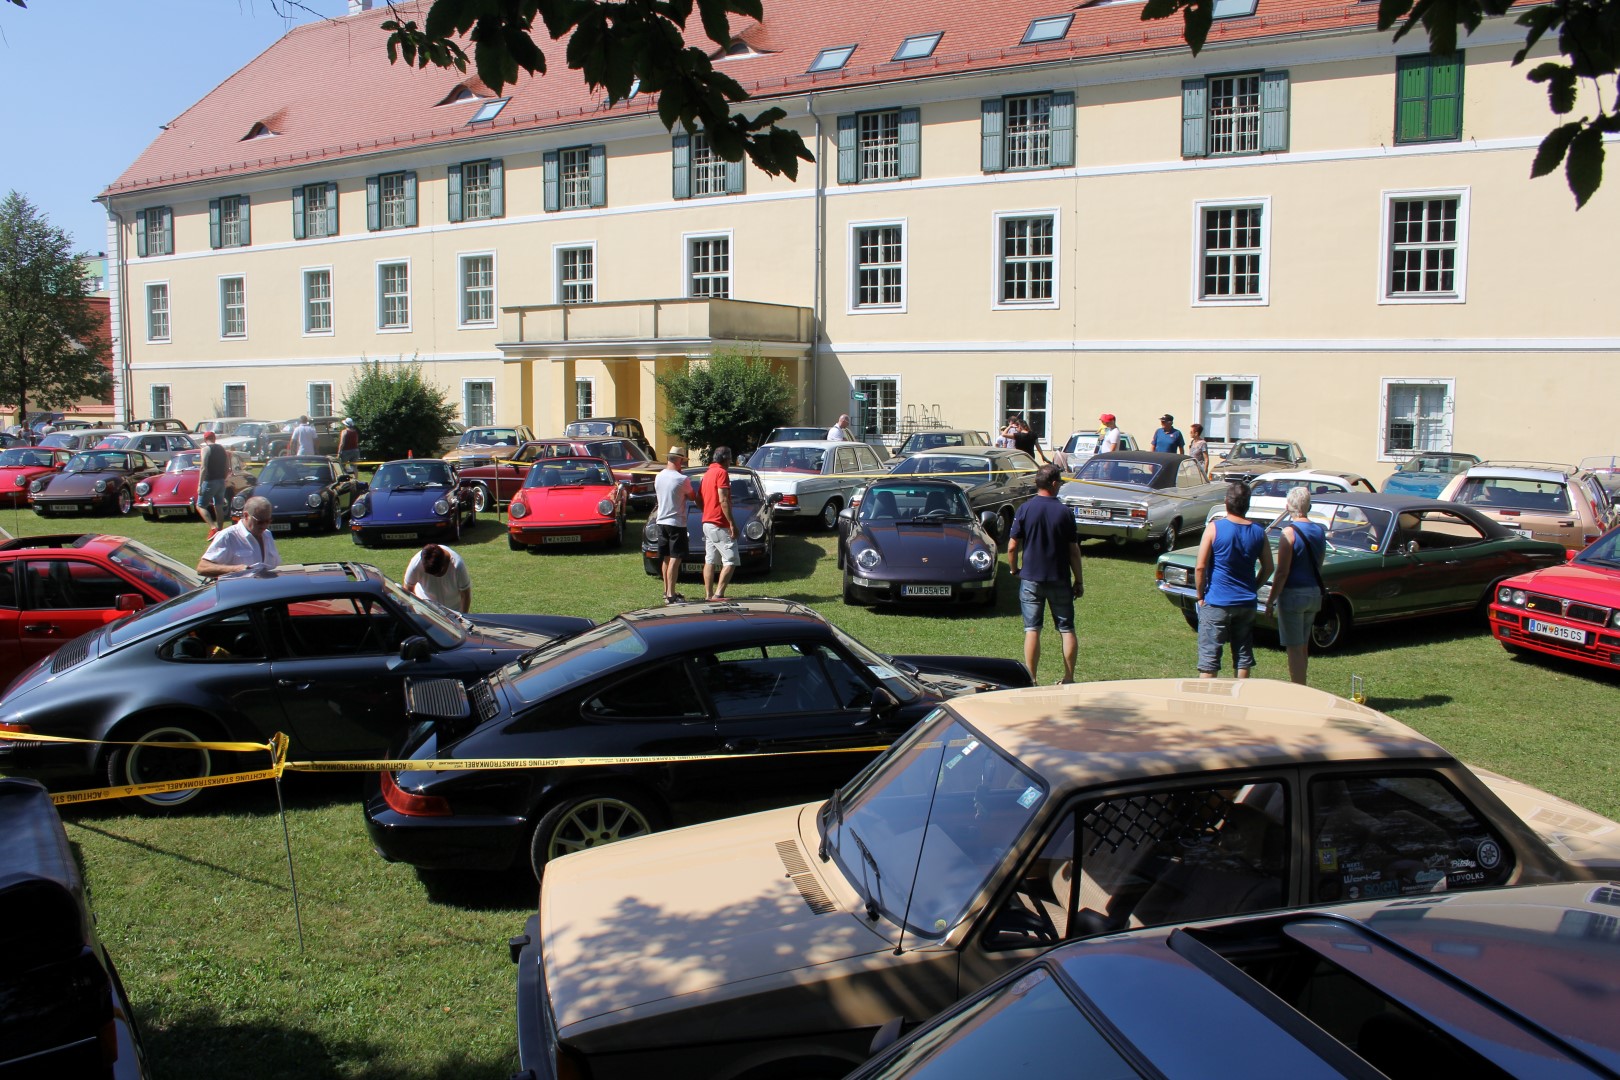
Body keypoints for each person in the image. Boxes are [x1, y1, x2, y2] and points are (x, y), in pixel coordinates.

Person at [1007, 463, 1085, 684]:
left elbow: (1012, 546)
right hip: (1059, 578)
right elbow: (1074, 552)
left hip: (1031, 578)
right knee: (1067, 629)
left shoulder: (1025, 509)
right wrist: (1078, 580)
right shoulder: (1065, 512)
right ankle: (1069, 677)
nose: (1060, 486)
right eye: (1059, 482)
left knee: (1032, 630)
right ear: (1053, 484)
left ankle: (1032, 679)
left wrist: (1014, 569)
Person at [1194, 482, 1273, 679]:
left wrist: (1199, 595)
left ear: (1226, 502)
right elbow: (1269, 567)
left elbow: (1200, 567)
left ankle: (1206, 700)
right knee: (1243, 655)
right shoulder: (1258, 531)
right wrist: (1254, 586)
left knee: (1209, 658)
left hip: (1217, 601)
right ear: (1247, 505)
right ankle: (1240, 698)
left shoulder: (1214, 528)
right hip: (1246, 602)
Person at [1266, 486, 1327, 685]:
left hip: (1293, 595)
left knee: (1293, 646)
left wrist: (1271, 599)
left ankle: (1299, 689)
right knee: (1303, 644)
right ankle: (1303, 684)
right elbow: (1319, 562)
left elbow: (1282, 572)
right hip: (1313, 593)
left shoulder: (1289, 533)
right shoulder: (1319, 530)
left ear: (1288, 506)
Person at [197, 494, 281, 577]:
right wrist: (235, 569)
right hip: (238, 589)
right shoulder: (228, 536)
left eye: (268, 521)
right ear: (246, 515)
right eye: (260, 522)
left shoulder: (267, 535)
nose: (264, 526)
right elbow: (202, 567)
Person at [651, 446, 691, 604]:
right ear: (679, 460)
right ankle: (671, 595)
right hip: (676, 522)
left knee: (666, 558)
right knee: (676, 558)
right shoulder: (682, 479)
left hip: (661, 521)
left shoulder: (659, 476)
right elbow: (692, 496)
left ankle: (666, 590)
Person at [700, 446, 739, 601]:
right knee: (731, 559)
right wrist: (732, 523)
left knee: (709, 559)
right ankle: (718, 594)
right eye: (730, 458)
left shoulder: (707, 474)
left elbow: (699, 498)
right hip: (719, 523)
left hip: (707, 522)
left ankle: (708, 595)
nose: (730, 461)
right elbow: (723, 500)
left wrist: (707, 510)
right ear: (725, 459)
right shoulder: (722, 473)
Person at [403, 543, 471, 613]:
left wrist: (463, 616)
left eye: (438, 573)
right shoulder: (415, 564)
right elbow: (407, 589)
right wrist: (413, 613)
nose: (435, 576)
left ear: (444, 562)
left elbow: (465, 595)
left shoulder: (457, 565)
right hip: (425, 610)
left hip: (453, 611)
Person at [195, 430, 231, 536]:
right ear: (214, 438)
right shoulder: (222, 449)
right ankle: (220, 530)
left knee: (200, 505)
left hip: (209, 481)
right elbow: (227, 467)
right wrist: (223, 478)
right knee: (218, 505)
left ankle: (213, 527)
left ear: (205, 439)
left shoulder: (206, 449)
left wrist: (199, 484)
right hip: (221, 481)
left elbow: (203, 467)